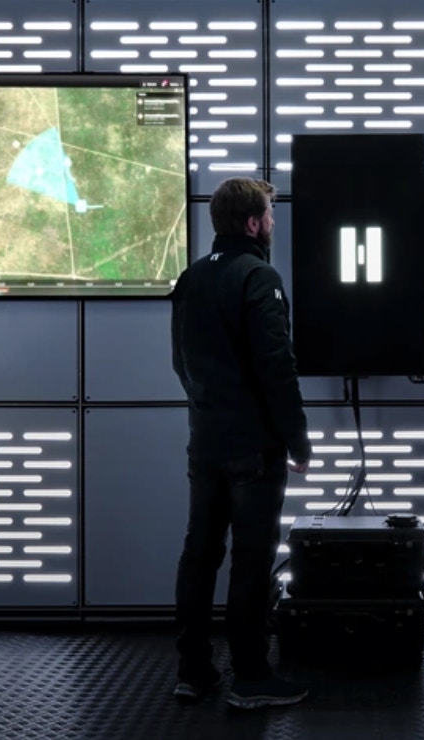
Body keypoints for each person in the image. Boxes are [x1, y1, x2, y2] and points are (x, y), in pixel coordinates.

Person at [169, 177, 312, 709]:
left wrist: (209, 410)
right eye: (269, 214)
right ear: (253, 223)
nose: (272, 223)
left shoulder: (191, 278)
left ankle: (193, 671)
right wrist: (297, 440)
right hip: (253, 447)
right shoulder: (258, 276)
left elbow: (180, 363)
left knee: (199, 555)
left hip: (205, 441)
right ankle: (250, 677)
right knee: (251, 561)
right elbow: (277, 367)